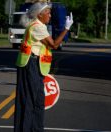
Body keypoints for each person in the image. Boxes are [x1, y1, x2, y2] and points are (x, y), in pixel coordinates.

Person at [14, 2, 73, 132]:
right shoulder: (37, 27)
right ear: (40, 15)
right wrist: (66, 29)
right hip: (30, 65)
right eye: (48, 12)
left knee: (39, 101)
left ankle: (36, 129)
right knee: (29, 101)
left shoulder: (40, 25)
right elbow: (54, 45)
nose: (50, 15)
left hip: (35, 65)